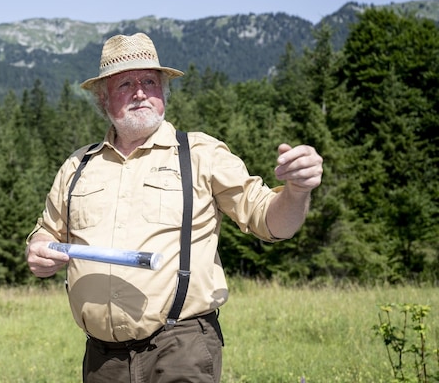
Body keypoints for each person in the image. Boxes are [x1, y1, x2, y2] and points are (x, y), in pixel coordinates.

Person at [25, 33, 323, 382]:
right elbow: (48, 232)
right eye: (125, 84)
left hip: (180, 347)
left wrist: (298, 190)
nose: (140, 92)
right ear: (103, 99)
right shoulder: (78, 166)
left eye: (149, 81)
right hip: (102, 360)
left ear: (163, 91)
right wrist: (39, 250)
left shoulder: (200, 154)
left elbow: (270, 221)